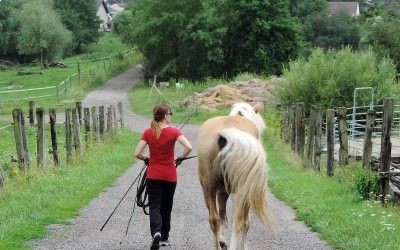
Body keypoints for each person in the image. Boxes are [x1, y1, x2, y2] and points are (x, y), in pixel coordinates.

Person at [134, 103, 192, 250]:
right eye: (170, 113)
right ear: (165, 116)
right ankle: (165, 238)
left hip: (153, 175)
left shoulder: (148, 132)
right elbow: (189, 147)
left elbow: (137, 153)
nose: (171, 116)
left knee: (154, 206)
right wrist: (179, 158)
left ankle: (156, 233)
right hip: (170, 176)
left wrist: (146, 159)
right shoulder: (174, 132)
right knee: (166, 207)